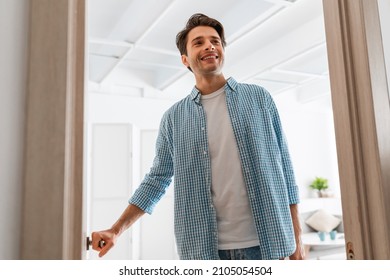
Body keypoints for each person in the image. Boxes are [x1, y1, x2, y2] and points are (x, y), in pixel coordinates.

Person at [91, 13, 304, 260]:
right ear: (185, 60)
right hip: (204, 251)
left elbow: (285, 167)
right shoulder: (174, 118)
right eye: (198, 42)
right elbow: (157, 179)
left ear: (222, 50)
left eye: (215, 41)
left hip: (269, 244)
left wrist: (297, 235)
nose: (209, 46)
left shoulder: (259, 98)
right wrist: (116, 230)